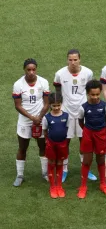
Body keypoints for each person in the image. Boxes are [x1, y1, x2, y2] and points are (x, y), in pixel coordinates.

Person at [54, 49, 97, 182]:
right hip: (66, 113)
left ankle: (86, 169)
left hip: (82, 112)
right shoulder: (60, 74)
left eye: (75, 59)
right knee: (64, 142)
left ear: (80, 60)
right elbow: (57, 92)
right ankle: (64, 170)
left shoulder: (88, 73)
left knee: (83, 142)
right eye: (70, 60)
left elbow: (91, 91)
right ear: (67, 60)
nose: (73, 62)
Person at [12, 58, 50, 187]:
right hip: (25, 121)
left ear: (36, 69)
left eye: (33, 69)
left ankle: (45, 173)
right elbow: (17, 105)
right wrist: (31, 117)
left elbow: (46, 103)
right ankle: (20, 175)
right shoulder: (18, 84)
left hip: (40, 120)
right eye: (29, 69)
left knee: (43, 147)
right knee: (22, 148)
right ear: (24, 70)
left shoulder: (43, 82)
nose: (31, 72)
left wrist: (39, 117)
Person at [77, 80, 106, 199]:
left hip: (101, 134)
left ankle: (103, 184)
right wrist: (88, 130)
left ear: (100, 93)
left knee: (101, 160)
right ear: (87, 93)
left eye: (97, 94)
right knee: (87, 160)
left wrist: (100, 130)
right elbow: (81, 122)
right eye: (92, 95)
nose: (95, 97)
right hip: (88, 134)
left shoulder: (105, 106)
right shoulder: (83, 108)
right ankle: (83, 186)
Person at [42, 93, 69, 198]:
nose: (56, 107)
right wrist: (47, 140)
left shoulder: (66, 115)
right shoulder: (47, 117)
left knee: (59, 162)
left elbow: (66, 128)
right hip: (51, 144)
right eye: (54, 105)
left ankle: (59, 186)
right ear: (50, 105)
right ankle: (52, 186)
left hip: (62, 144)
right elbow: (45, 131)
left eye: (58, 105)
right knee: (52, 162)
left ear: (61, 104)